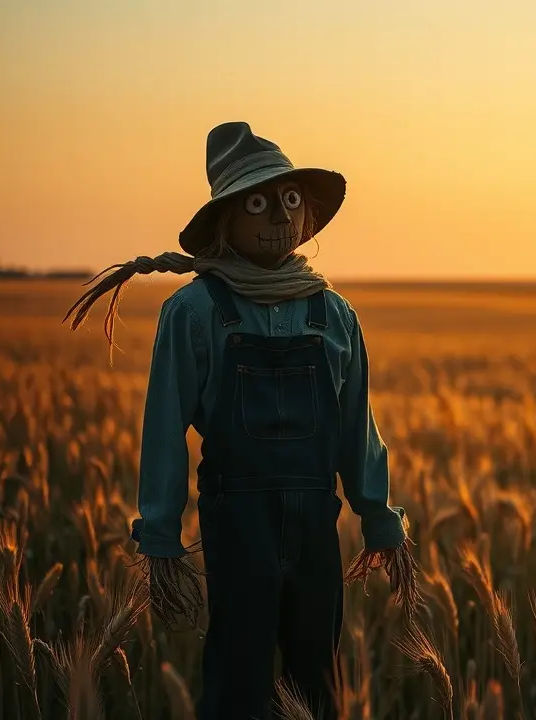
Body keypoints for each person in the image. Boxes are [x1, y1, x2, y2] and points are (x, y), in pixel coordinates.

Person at [64, 121, 420, 719]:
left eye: (289, 200)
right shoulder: (195, 312)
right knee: (237, 677)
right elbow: (165, 427)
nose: (280, 216)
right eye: (259, 203)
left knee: (319, 680)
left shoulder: (334, 314)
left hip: (316, 527)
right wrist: (159, 534)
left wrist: (379, 519)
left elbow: (357, 426)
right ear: (226, 221)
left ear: (307, 215)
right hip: (236, 525)